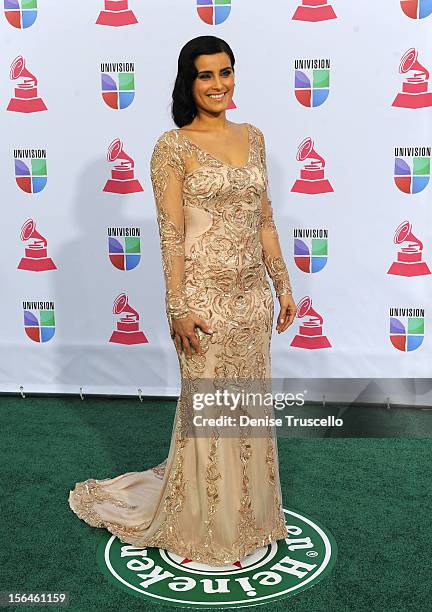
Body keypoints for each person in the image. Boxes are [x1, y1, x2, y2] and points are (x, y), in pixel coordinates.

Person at [68, 35, 296, 566]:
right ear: (187, 82)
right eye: (205, 75)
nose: (218, 85)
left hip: (252, 302)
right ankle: (201, 526)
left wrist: (283, 287)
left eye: (225, 72)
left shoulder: (254, 137)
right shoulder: (171, 146)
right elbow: (170, 235)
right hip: (204, 302)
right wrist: (177, 306)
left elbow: (264, 222)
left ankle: (248, 517)